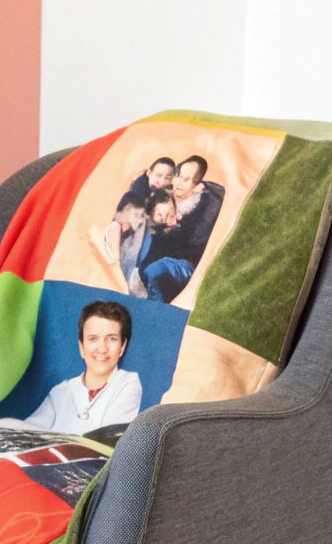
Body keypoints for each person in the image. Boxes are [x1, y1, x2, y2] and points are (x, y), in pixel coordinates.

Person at [25, 301, 143, 435]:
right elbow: (27, 432)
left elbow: (108, 442)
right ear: (81, 346)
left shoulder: (128, 383)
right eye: (93, 339)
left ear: (122, 346)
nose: (102, 349)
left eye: (111, 339)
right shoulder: (60, 392)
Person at [139, 154, 226, 302]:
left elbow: (193, 244)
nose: (178, 183)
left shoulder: (204, 208)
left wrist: (171, 227)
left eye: (186, 180)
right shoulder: (167, 197)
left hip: (183, 265)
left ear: (198, 186)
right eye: (178, 176)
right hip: (155, 263)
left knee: (155, 270)